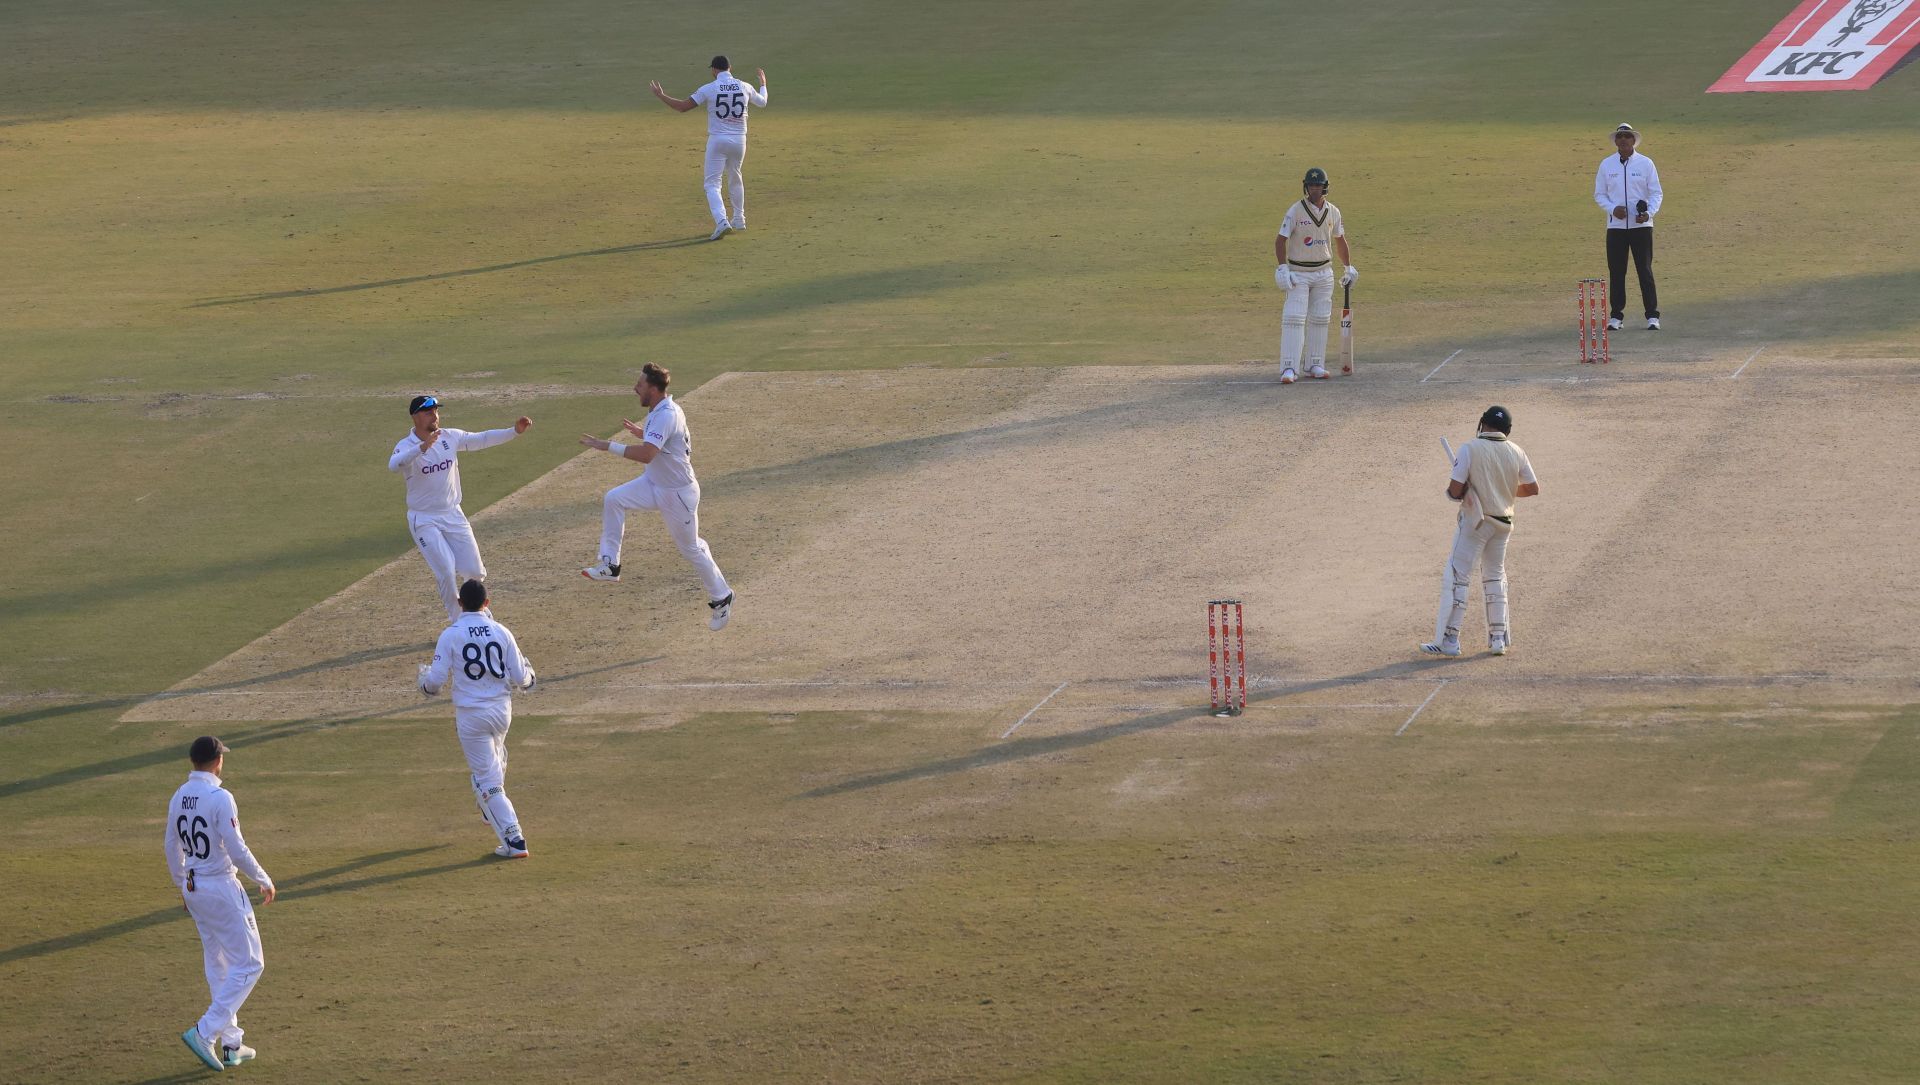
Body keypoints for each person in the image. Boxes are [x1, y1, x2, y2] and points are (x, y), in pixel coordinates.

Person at [579, 363, 735, 631]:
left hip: (677, 494)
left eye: (639, 385)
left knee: (691, 549)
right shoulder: (659, 411)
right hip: (654, 483)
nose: (635, 389)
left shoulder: (666, 414)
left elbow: (648, 454)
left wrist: (608, 446)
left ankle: (722, 597)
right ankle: (610, 565)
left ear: (652, 388)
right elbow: (667, 442)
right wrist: (643, 433)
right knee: (614, 498)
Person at [167, 735, 275, 1072]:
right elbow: (236, 847)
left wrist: (182, 884)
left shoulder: (179, 795)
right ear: (217, 761)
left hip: (195, 888)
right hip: (221, 887)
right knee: (250, 963)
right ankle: (206, 1031)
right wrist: (262, 878)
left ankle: (232, 1044)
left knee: (219, 965)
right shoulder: (220, 797)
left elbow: (172, 846)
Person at [387, 395, 533, 623]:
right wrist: (421, 448)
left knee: (474, 571)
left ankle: (474, 609)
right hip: (424, 519)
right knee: (445, 570)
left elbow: (482, 439)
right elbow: (394, 465)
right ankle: (458, 619)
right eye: (428, 412)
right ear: (415, 417)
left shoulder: (450, 436)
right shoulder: (405, 446)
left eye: (436, 411)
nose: (434, 416)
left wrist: (513, 431)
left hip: (453, 514)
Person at [419, 579, 537, 858]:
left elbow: (434, 682)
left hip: (471, 715)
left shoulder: (451, 633)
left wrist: (423, 683)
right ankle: (489, 809)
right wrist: (531, 677)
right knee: (495, 762)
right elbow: (522, 678)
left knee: (487, 781)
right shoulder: (501, 631)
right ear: (487, 603)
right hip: (501, 712)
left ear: (460, 603)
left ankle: (514, 838)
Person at [1420, 405, 1540, 658]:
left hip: (1476, 523)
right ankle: (1498, 639)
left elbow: (1454, 491)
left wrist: (1467, 492)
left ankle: (1449, 640)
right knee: (1495, 577)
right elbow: (1531, 488)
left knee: (1457, 576)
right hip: (1503, 523)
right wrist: (1503, 490)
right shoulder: (1516, 451)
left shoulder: (1469, 449)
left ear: (1482, 424)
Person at [650, 56, 769, 241]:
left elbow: (682, 107)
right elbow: (763, 102)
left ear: (714, 70)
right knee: (735, 177)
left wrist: (661, 95)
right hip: (739, 141)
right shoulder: (744, 86)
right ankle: (739, 219)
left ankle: (722, 221)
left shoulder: (709, 88)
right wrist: (763, 83)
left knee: (712, 184)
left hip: (718, 140)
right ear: (730, 67)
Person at [1274, 167, 1357, 383]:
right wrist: (1283, 267)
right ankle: (1289, 368)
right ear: (1306, 186)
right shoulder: (1295, 210)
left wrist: (1348, 267)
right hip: (1299, 273)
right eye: (1311, 186)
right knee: (1294, 318)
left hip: (1323, 273)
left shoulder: (1333, 212)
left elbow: (1340, 240)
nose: (1314, 189)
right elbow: (1280, 240)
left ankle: (1315, 364)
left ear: (1324, 187)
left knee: (1320, 319)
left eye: (1318, 185)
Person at [1593, 122, 1663, 331]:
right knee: (1616, 271)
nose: (1623, 140)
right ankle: (1616, 316)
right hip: (1616, 228)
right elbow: (1600, 194)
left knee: (1645, 270)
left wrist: (1648, 213)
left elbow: (1656, 193)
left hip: (1641, 226)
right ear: (1615, 141)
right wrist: (1613, 209)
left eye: (1627, 136)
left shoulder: (1645, 163)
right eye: (1620, 136)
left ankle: (1652, 316)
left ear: (1634, 140)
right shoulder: (1607, 165)